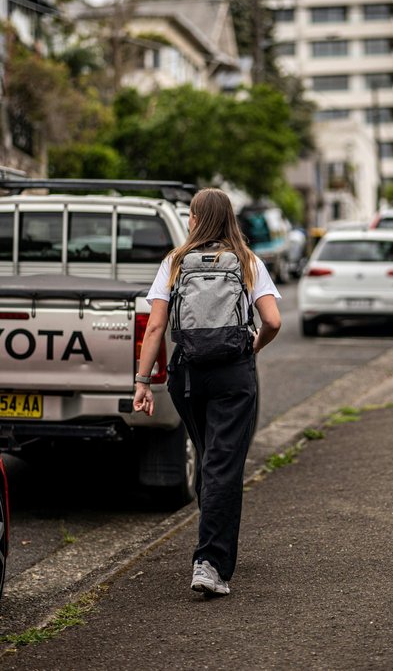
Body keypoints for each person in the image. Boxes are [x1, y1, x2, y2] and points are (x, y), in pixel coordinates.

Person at [133, 188, 281, 597]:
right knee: (223, 464)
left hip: (189, 375)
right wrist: (250, 347)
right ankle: (210, 562)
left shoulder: (176, 262)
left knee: (208, 457)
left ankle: (212, 550)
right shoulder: (247, 261)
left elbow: (157, 327)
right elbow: (272, 320)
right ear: (231, 218)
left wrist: (143, 382)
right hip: (234, 374)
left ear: (194, 220)